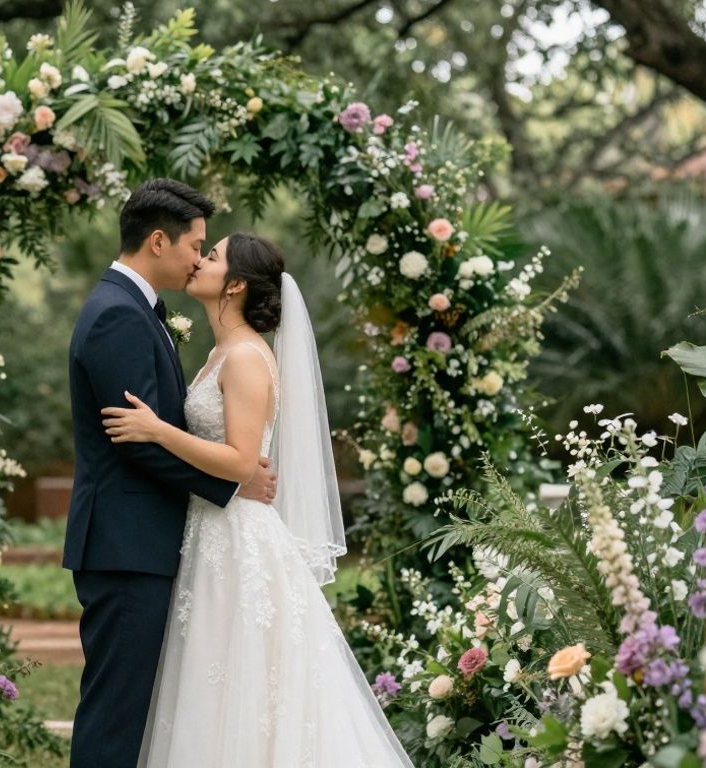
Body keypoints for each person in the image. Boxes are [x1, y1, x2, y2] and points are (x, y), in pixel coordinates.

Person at [103, 231, 414, 767]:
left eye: (214, 256)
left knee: (241, 681)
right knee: (210, 679)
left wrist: (157, 430)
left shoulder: (245, 355)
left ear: (237, 284)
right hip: (210, 531)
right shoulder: (221, 352)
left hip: (237, 540)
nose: (200, 260)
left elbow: (243, 462)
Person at [63, 179, 279, 768]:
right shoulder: (118, 316)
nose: (197, 260)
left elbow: (157, 430)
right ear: (159, 241)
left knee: (136, 711)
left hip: (143, 543)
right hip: (125, 544)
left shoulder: (137, 310)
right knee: (115, 714)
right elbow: (135, 442)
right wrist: (233, 484)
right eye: (197, 245)